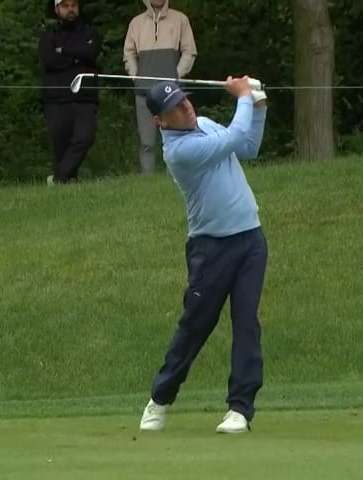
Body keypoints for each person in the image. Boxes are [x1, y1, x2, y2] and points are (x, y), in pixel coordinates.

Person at [137, 76, 269, 434]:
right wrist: (242, 96)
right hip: (211, 249)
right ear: (160, 121)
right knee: (195, 326)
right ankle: (160, 399)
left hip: (250, 240)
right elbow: (234, 138)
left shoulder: (205, 125)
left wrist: (257, 107)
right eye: (175, 108)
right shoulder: (178, 153)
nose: (186, 107)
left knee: (246, 323)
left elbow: (248, 146)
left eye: (185, 100)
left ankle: (240, 409)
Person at [123, 0, 197, 175]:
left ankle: (180, 176)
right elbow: (128, 54)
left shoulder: (180, 19)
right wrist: (136, 77)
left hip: (172, 94)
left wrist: (176, 75)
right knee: (146, 142)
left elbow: (189, 51)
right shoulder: (136, 23)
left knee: (179, 138)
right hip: (143, 93)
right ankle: (148, 180)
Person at [38, 0, 102, 185]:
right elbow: (49, 60)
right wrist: (76, 59)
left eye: (74, 5)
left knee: (85, 137)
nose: (71, 9)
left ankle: (58, 178)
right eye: (65, 6)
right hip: (56, 98)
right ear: (57, 9)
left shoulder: (89, 32)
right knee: (60, 142)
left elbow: (91, 53)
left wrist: (64, 51)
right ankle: (67, 182)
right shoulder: (48, 35)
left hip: (85, 97)